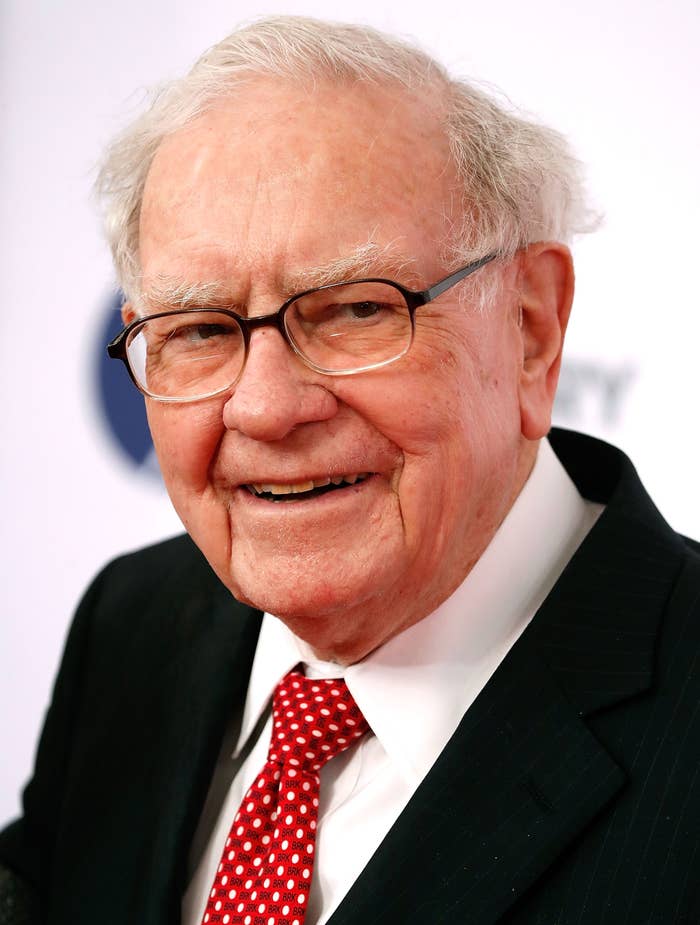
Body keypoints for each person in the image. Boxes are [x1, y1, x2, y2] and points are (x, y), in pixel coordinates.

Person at [1, 15, 698, 925]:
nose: (263, 406)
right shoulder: (132, 627)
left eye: (353, 312)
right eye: (201, 331)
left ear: (531, 330)